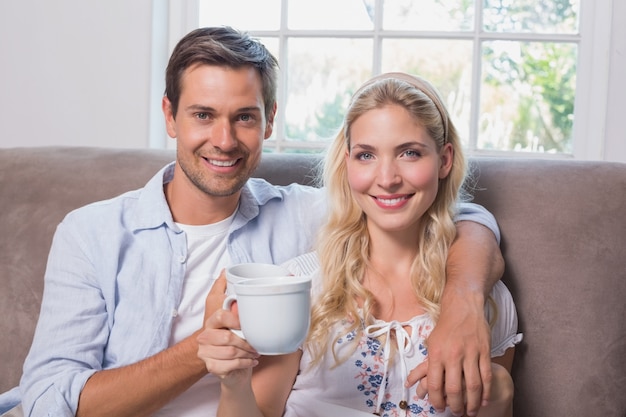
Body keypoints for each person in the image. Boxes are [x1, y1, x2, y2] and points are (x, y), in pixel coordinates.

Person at [0, 27, 502, 417]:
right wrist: (200, 351)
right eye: (202, 115)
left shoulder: (309, 215)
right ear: (170, 116)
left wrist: (462, 301)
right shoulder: (93, 234)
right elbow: (47, 400)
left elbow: (452, 212)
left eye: (243, 116)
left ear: (269, 120)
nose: (224, 140)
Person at [198, 73, 522, 417]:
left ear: (444, 161)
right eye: (366, 156)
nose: (387, 179)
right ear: (347, 161)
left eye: (410, 153)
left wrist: (500, 392)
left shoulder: (484, 301)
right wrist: (234, 384)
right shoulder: (300, 287)